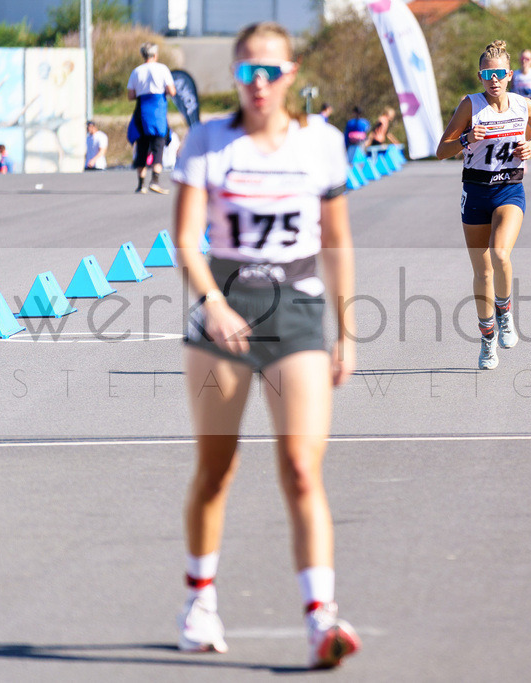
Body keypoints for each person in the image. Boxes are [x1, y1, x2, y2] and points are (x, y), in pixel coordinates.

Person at [170, 21, 361, 670]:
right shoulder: (206, 142)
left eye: (271, 71)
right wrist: (213, 304)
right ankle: (199, 601)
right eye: (248, 70)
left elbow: (336, 244)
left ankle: (321, 619)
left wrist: (346, 332)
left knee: (302, 469)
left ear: (292, 74)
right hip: (223, 316)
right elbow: (186, 239)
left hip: (298, 313)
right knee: (217, 470)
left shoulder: (324, 145)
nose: (259, 82)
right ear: (233, 74)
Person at [435, 39, 531, 370]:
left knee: (500, 254)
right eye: (487, 74)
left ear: (510, 75)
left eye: (499, 73)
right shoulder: (470, 105)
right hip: (476, 192)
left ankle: (506, 313)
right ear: (480, 76)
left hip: (509, 189)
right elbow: (441, 150)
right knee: (482, 271)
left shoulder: (522, 104)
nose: (493, 79)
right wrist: (468, 138)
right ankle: (487, 341)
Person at [127, 42, 176, 193]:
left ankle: (141, 184)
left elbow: (131, 95)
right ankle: (154, 181)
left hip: (142, 110)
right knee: (158, 146)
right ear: (155, 55)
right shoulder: (162, 69)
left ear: (143, 55)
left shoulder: (136, 71)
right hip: (158, 111)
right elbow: (172, 91)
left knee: (142, 148)